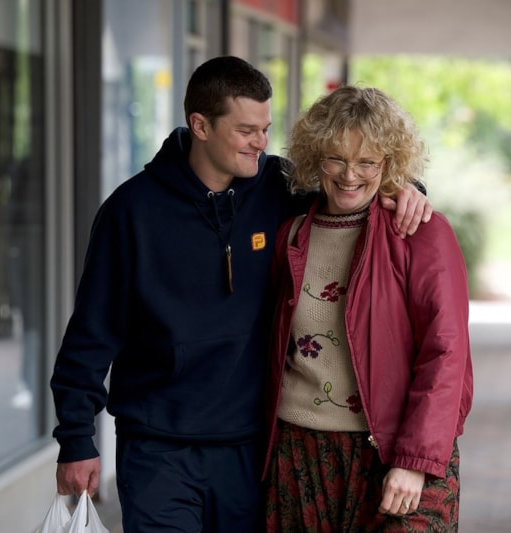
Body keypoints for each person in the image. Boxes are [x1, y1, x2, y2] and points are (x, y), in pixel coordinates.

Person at [49, 57, 433, 532]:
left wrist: (408, 188)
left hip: (251, 449)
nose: (261, 142)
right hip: (157, 448)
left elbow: (353, 184)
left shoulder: (279, 187)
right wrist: (76, 439)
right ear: (201, 126)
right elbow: (90, 334)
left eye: (265, 129)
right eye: (246, 130)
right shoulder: (131, 212)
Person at [263, 85, 473, 532]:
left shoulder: (421, 232)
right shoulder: (290, 235)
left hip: (396, 452)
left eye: (367, 162)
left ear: (389, 163)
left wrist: (415, 460)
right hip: (301, 455)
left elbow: (446, 354)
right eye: (335, 159)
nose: (349, 175)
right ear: (315, 156)